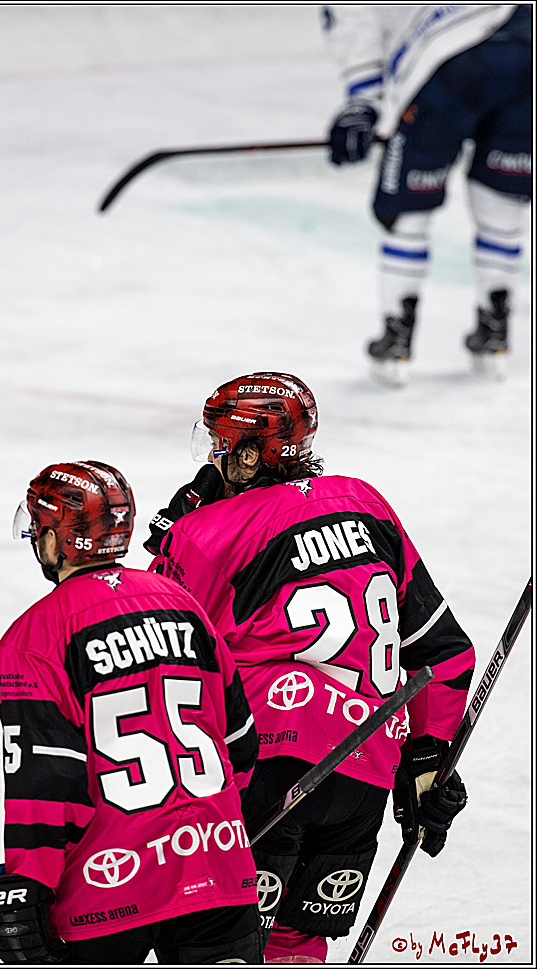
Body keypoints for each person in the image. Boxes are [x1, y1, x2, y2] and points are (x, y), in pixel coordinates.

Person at [144, 372, 475, 963]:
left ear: (252, 450)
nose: (214, 458)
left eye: (222, 445)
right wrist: (428, 758)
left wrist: (172, 543)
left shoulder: (205, 535)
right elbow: (444, 652)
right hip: (363, 770)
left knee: (216, 937)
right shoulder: (364, 501)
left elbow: (157, 656)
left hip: (263, 770)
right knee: (297, 940)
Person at [0, 460, 262, 964]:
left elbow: (45, 783)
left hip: (107, 891)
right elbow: (240, 740)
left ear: (55, 540)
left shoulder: (34, 638)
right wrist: (208, 831)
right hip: (217, 868)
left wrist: (26, 888)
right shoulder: (183, 602)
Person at [321, 4, 532, 386]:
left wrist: (362, 100)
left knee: (406, 213)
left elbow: (355, 15)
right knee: (501, 203)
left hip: (447, 64)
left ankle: (396, 336)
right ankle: (494, 332)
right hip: (526, 50)